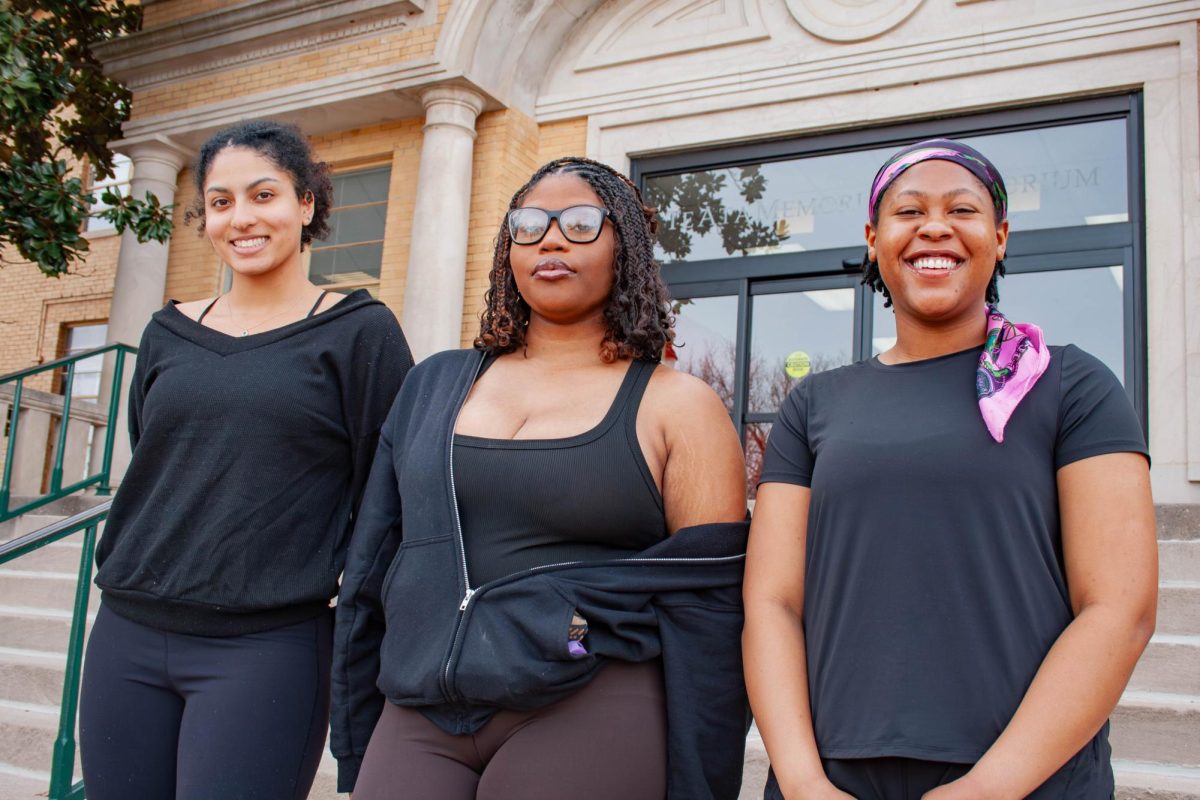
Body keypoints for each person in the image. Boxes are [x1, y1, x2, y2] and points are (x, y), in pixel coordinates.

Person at [743, 139, 1157, 799]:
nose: (935, 225)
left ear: (999, 237)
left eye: (961, 209)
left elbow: (1118, 608)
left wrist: (989, 787)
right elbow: (772, 602)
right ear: (875, 240)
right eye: (910, 211)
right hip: (833, 779)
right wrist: (799, 779)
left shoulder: (1073, 384)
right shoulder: (814, 404)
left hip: (1028, 778)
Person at [332, 156, 749, 800]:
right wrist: (354, 720)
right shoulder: (432, 384)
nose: (551, 238)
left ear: (626, 247)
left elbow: (710, 608)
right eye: (528, 224)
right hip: (422, 700)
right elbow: (373, 561)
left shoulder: (679, 405)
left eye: (582, 222)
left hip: (589, 692)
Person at [79, 120, 413, 800]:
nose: (241, 219)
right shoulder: (166, 330)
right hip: (126, 634)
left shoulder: (359, 332)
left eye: (263, 195)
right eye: (221, 202)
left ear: (307, 204)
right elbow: (156, 462)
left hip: (266, 648)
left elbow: (391, 495)